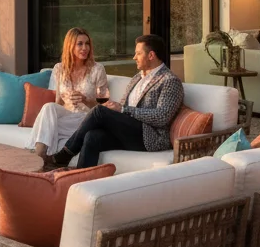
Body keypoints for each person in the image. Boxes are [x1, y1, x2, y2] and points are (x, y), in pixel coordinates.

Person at [52, 34, 183, 171]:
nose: (134, 57)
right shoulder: (137, 78)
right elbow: (122, 105)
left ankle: (66, 153)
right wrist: (115, 108)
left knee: (99, 111)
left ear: (151, 55)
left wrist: (123, 110)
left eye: (138, 53)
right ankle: (81, 179)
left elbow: (162, 117)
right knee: (92, 136)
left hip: (149, 136)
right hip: (129, 131)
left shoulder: (169, 80)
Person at [30, 27, 108, 167]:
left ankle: (37, 163)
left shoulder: (98, 69)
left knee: (46, 125)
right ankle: (40, 156)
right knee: (48, 107)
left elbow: (103, 109)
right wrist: (64, 102)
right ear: (70, 46)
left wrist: (84, 99)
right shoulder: (59, 68)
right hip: (66, 117)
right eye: (80, 44)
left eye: (87, 43)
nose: (85, 48)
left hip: (85, 119)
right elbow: (57, 103)